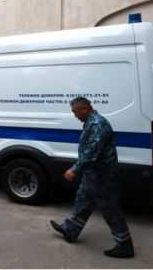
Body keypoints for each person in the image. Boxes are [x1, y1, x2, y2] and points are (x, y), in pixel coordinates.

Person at [50, 97, 135, 258]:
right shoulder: (90, 122)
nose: (75, 115)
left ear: (86, 109)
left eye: (75, 112)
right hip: (93, 174)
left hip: (103, 176)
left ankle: (124, 245)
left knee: (110, 209)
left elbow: (92, 152)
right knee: (83, 201)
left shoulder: (98, 124)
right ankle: (70, 230)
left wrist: (74, 169)